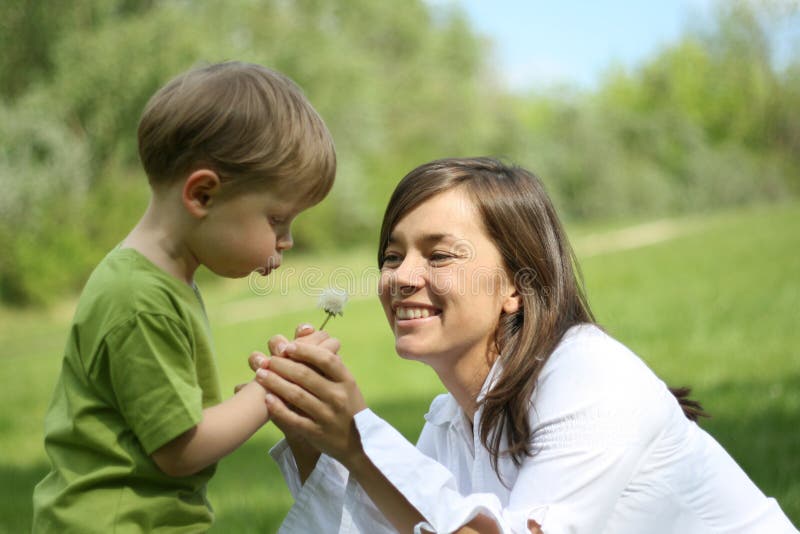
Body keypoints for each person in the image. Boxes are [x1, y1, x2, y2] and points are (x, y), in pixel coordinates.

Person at [250, 157, 798, 533]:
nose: (401, 277)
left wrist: (358, 439)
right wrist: (311, 437)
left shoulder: (591, 376)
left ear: (517, 284)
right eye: (393, 257)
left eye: (439, 256)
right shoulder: (451, 420)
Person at [32, 61, 336, 532]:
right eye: (276, 219)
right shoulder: (139, 299)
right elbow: (180, 449)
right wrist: (273, 389)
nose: (287, 240)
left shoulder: (162, 283)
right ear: (203, 195)